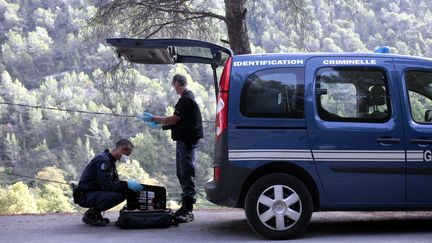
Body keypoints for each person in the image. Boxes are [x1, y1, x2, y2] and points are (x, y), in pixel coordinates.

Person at [141, 74, 203, 223]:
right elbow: (181, 122)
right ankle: (185, 206)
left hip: (186, 142)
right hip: (183, 140)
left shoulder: (186, 99)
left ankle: (188, 209)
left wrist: (154, 118)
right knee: (181, 172)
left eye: (173, 85)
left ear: (176, 83)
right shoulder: (188, 98)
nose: (174, 88)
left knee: (186, 172)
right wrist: (164, 126)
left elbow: (174, 119)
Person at [74, 139, 143, 226]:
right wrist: (126, 184)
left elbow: (113, 182)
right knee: (118, 195)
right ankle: (91, 215)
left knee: (125, 191)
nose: (127, 157)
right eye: (128, 154)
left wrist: (127, 185)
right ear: (123, 150)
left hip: (93, 192)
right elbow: (106, 185)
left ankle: (96, 214)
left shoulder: (110, 160)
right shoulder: (104, 160)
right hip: (85, 195)